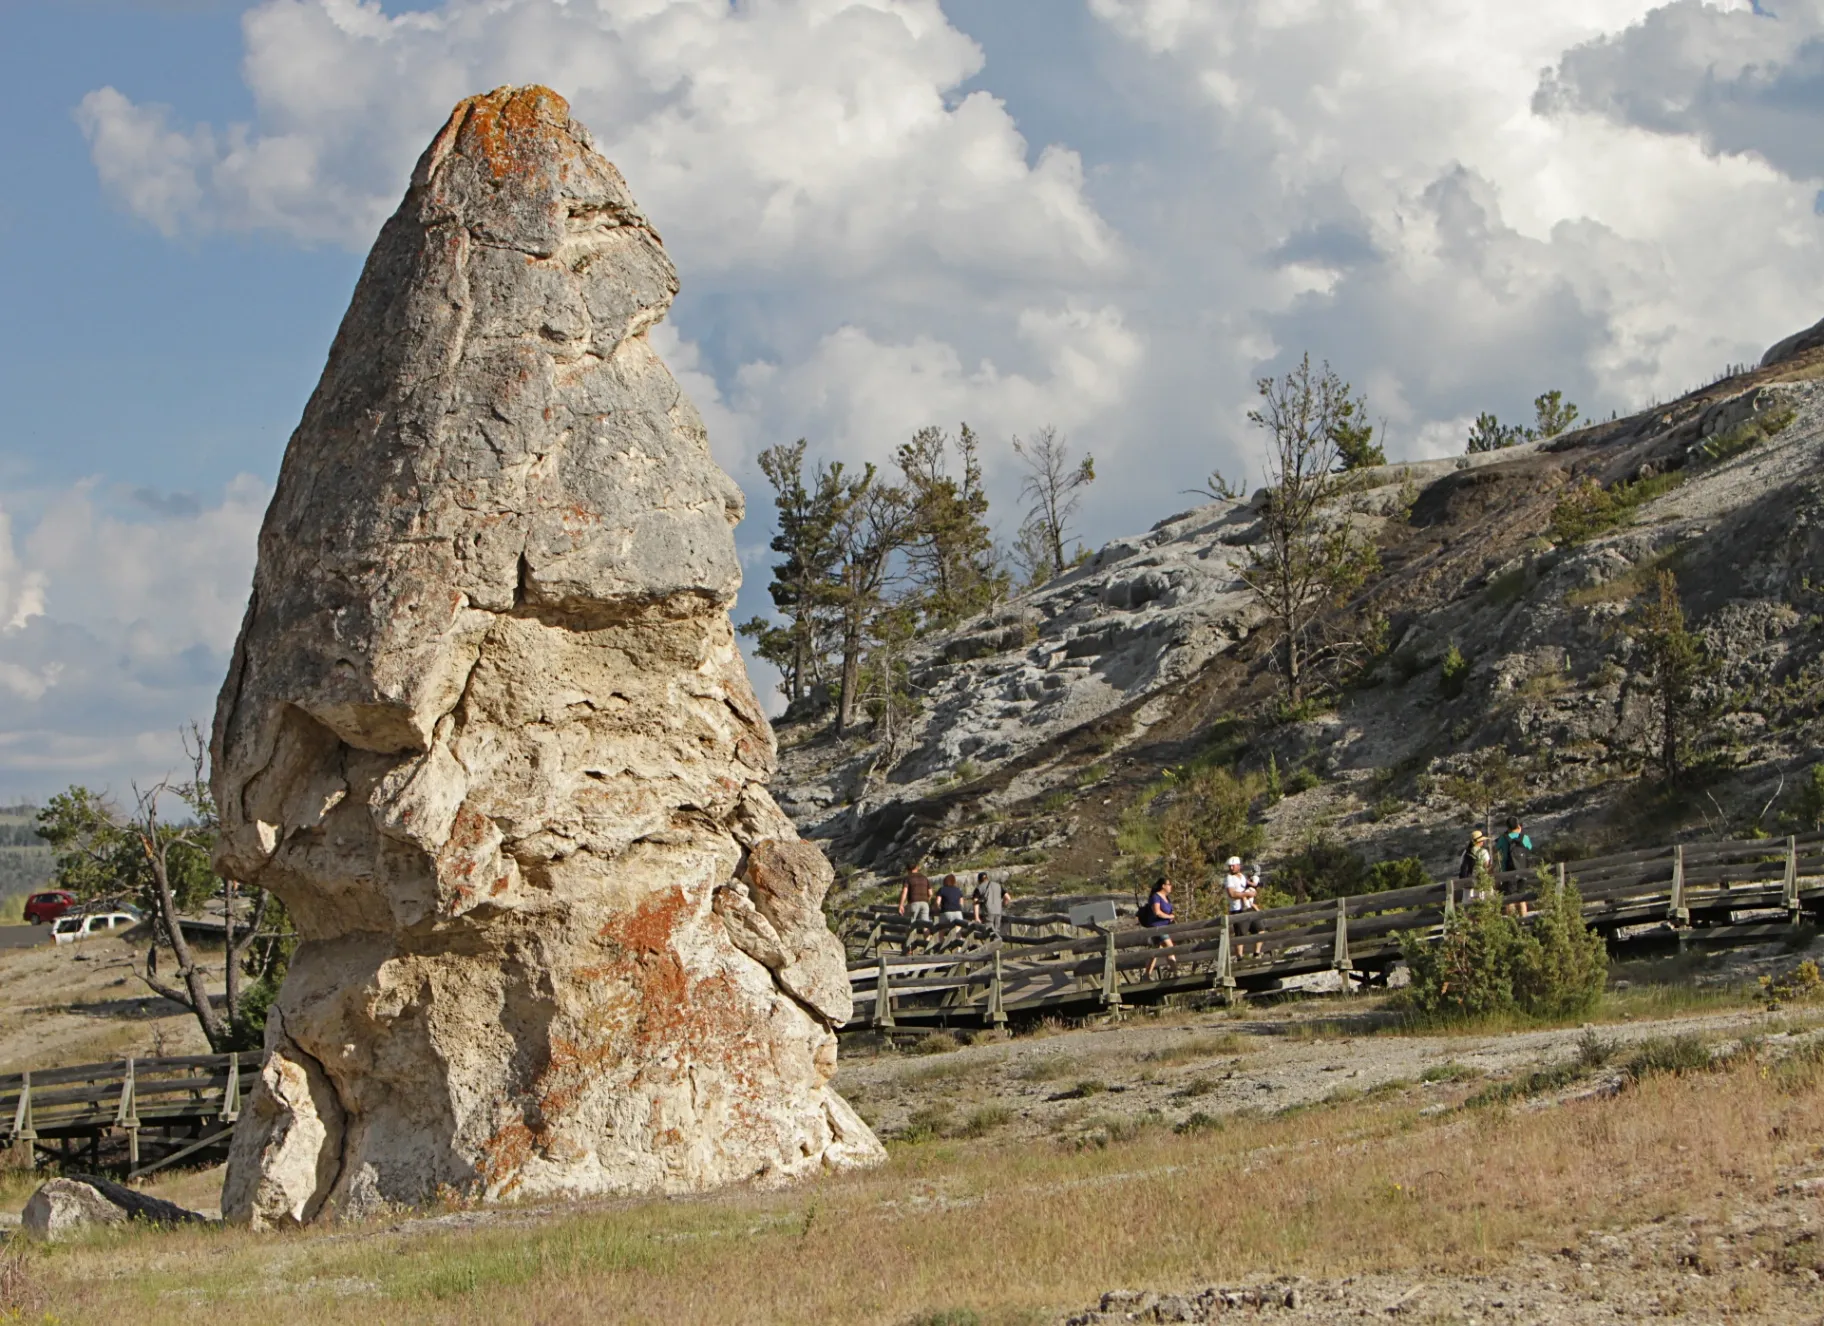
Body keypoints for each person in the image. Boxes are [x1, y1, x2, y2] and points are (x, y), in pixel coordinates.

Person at [1225, 856, 1263, 958]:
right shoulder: (1229, 878)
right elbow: (1232, 894)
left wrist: (1255, 887)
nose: (1231, 868)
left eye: (1233, 866)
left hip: (1249, 907)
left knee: (1260, 930)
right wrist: (1247, 895)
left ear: (1238, 866)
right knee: (1240, 936)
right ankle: (1240, 960)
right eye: (1230, 866)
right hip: (1238, 910)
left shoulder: (1242, 876)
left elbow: (1248, 884)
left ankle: (1256, 955)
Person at [1498, 818, 1535, 916]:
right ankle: (1523, 919)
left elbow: (1497, 849)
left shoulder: (1503, 838)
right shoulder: (1524, 837)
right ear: (1518, 825)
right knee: (1522, 897)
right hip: (1523, 871)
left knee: (1510, 899)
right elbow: (1530, 848)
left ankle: (1512, 922)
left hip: (1508, 871)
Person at [1142, 877, 1176, 978]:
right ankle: (1175, 972)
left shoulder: (1167, 898)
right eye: (1169, 884)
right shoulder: (1155, 897)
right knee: (1170, 947)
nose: (1171, 887)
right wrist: (1169, 916)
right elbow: (1157, 912)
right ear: (1163, 886)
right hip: (1157, 928)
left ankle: (1146, 975)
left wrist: (1171, 916)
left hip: (1164, 927)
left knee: (1155, 952)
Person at [973, 870, 1013, 937]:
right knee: (996, 932)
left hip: (988, 912)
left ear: (979, 880)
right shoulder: (998, 886)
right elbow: (1008, 898)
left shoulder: (979, 888)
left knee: (988, 932)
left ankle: (991, 947)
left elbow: (975, 902)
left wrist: (976, 917)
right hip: (998, 912)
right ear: (987, 878)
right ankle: (997, 946)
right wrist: (1002, 905)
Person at [898, 859, 933, 925]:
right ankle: (927, 935)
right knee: (925, 925)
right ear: (917, 867)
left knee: (910, 924)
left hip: (913, 903)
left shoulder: (908, 878)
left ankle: (909, 935)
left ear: (907, 869)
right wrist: (926, 900)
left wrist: (901, 905)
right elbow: (930, 893)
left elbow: (904, 892)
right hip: (925, 904)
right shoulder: (924, 878)